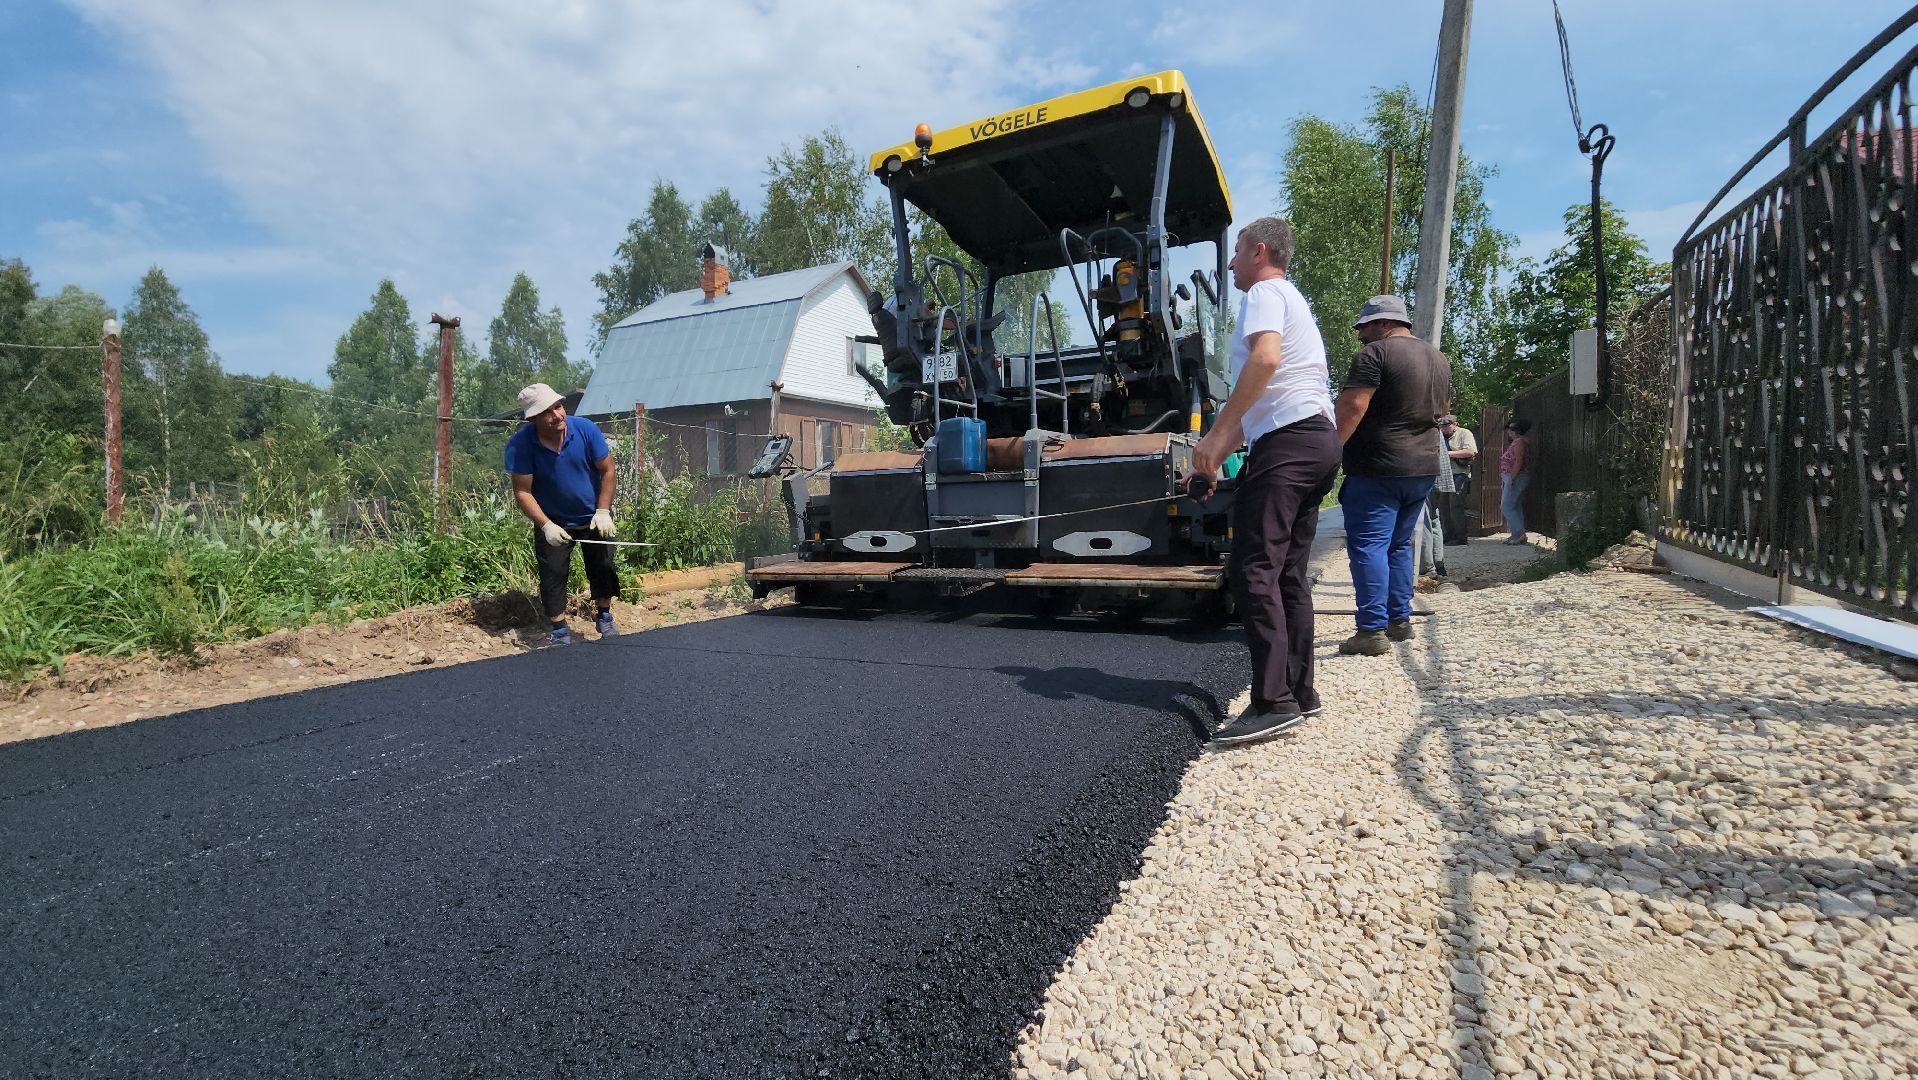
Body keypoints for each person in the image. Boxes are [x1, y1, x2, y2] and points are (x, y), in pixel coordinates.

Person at [1188, 217, 1338, 748]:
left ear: (1259, 252)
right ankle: (1299, 693)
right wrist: (1210, 461)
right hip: (1315, 438)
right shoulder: (1292, 297)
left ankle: (1272, 703)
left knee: (1253, 568)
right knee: (1289, 573)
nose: (1229, 264)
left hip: (1289, 443)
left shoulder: (1265, 292)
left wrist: (1213, 435)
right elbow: (1265, 408)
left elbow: (1266, 360)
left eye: (1236, 253)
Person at [1333, 295, 1450, 656]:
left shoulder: (1375, 355)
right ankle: (1400, 621)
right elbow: (1442, 410)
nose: (1360, 336)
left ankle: (1370, 631)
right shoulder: (1438, 359)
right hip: (1423, 467)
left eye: (1364, 327)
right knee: (1400, 544)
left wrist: (1329, 449)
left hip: (1378, 468)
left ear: (1384, 324)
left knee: (1369, 545)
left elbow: (1353, 406)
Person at [504, 383, 621, 644]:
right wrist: (546, 525)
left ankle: (604, 616)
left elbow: (608, 471)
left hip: (593, 514)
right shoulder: (521, 445)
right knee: (553, 573)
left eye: (558, 407)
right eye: (547, 412)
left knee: (604, 566)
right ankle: (558, 630)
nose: (557, 415)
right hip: (553, 519)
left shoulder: (585, 430)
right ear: (533, 418)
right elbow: (523, 492)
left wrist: (603, 511)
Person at [1438, 415, 1477, 544]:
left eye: (1447, 425)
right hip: (1443, 474)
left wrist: (1448, 453)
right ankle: (1448, 536)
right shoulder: (1439, 435)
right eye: (1442, 426)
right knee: (1443, 506)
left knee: (1456, 505)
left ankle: (1460, 537)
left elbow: (1470, 452)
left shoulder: (1464, 433)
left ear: (1455, 424)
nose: (1444, 428)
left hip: (1459, 473)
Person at [1500, 418, 1534, 545]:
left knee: (1506, 505)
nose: (1508, 432)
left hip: (1516, 476)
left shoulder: (1519, 442)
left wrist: (1512, 478)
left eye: (1509, 430)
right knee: (1516, 505)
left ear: (1513, 431)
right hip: (1518, 476)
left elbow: (1518, 461)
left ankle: (1519, 533)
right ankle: (1516, 533)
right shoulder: (1521, 441)